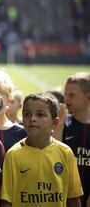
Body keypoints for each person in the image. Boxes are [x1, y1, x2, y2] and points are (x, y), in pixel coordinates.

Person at [0, 93, 83, 207]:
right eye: (27, 114)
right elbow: (6, 200)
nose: (32, 119)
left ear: (54, 123)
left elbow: (73, 197)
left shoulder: (66, 153)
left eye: (40, 114)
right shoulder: (13, 154)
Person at [57, 72, 90, 205]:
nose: (67, 99)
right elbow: (53, 154)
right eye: (65, 95)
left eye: (72, 95)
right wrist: (59, 124)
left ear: (88, 97)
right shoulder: (64, 123)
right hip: (66, 196)